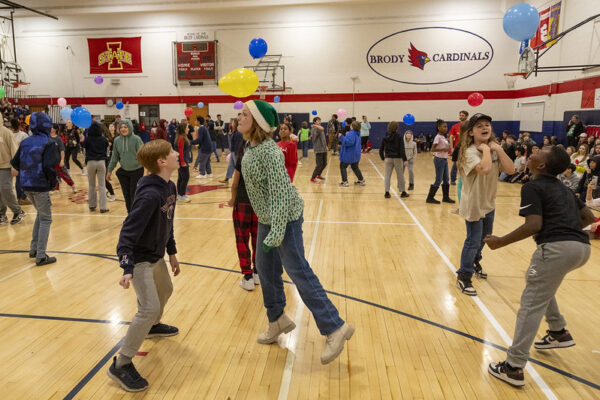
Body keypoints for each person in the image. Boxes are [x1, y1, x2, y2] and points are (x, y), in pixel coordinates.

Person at [239, 100, 353, 365]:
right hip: (269, 218)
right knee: (265, 271)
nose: (239, 117)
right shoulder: (251, 146)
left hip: (285, 219)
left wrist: (276, 231)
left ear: (257, 122)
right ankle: (277, 319)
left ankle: (334, 327)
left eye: (245, 114)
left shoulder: (269, 151)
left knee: (298, 271)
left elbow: (280, 193)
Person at [484, 146, 594, 387]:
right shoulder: (564, 190)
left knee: (530, 305)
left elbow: (534, 225)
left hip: (556, 249)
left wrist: (500, 242)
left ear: (541, 166)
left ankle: (513, 367)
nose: (532, 153)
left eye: (538, 153)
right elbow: (589, 218)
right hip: (581, 249)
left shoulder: (532, 186)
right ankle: (557, 331)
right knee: (539, 282)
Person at [108, 139, 181, 392]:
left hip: (156, 255)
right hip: (139, 259)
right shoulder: (150, 194)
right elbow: (126, 234)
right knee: (148, 307)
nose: (177, 153)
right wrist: (127, 268)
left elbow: (168, 223)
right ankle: (122, 363)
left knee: (166, 291)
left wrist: (171, 252)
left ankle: (151, 327)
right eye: (173, 152)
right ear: (162, 161)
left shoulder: (168, 186)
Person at [454, 113, 514, 296]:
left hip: (489, 202)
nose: (484, 127)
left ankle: (474, 261)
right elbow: (485, 169)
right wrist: (487, 151)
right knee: (473, 240)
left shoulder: (496, 149)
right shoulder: (469, 152)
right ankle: (464, 276)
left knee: (484, 238)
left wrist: (500, 150)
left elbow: (511, 170)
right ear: (471, 132)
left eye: (487, 124)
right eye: (479, 125)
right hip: (473, 203)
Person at [10, 112, 59, 266]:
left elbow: (15, 162)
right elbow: (49, 166)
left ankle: (34, 249)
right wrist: (52, 183)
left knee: (40, 214)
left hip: (25, 184)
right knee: (46, 218)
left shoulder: (26, 141)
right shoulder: (49, 142)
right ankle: (41, 255)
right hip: (40, 184)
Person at [227, 139, 260, 291]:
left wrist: (232, 200)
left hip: (243, 202)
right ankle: (258, 273)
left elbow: (235, 184)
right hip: (259, 204)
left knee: (242, 239)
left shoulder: (243, 158)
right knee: (258, 239)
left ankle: (247, 276)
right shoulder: (265, 156)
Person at [107, 119, 144, 213]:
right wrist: (109, 170)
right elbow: (114, 156)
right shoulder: (117, 140)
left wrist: (149, 168)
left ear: (130, 128)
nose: (123, 129)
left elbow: (143, 154)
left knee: (134, 194)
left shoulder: (136, 139)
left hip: (137, 170)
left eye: (125, 127)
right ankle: (130, 214)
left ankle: (136, 215)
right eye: (121, 127)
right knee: (126, 194)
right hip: (124, 171)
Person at [0, 115, 24, 225]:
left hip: (5, 165)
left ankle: (18, 211)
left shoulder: (6, 132)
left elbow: (14, 149)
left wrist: (15, 166)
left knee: (5, 189)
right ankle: (1, 214)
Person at [426, 119, 454, 204]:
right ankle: (430, 198)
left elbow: (448, 148)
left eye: (446, 126)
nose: (446, 128)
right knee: (439, 179)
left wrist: (449, 141)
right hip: (439, 160)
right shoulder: (437, 137)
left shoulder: (443, 137)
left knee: (446, 179)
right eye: (444, 126)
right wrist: (443, 149)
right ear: (439, 128)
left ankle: (445, 197)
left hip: (444, 160)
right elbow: (432, 149)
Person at [83, 121, 109, 212]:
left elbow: (84, 150)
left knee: (91, 185)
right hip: (101, 162)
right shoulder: (104, 139)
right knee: (102, 185)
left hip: (90, 162)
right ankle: (103, 207)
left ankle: (92, 205)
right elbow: (106, 151)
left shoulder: (87, 139)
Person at [379, 121, 408, 198]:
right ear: (397, 128)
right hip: (397, 158)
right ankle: (403, 192)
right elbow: (402, 149)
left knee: (387, 175)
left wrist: (382, 157)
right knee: (400, 175)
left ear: (389, 127)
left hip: (388, 158)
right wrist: (405, 159)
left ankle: (387, 192)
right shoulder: (399, 136)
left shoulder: (385, 137)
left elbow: (381, 149)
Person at [49, 124, 75, 194]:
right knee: (54, 175)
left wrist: (62, 160)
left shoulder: (58, 139)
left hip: (58, 160)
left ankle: (72, 185)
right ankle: (56, 189)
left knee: (64, 174)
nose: (50, 128)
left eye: (52, 127)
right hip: (50, 161)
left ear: (55, 129)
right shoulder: (47, 138)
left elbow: (62, 150)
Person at [339, 120, 365, 187]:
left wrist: (341, 137)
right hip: (355, 154)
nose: (350, 126)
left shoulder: (352, 133)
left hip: (349, 154)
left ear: (353, 126)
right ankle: (361, 180)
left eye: (351, 125)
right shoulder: (358, 133)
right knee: (355, 167)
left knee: (343, 166)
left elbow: (349, 143)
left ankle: (345, 181)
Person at [219, 119, 243, 184]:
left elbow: (238, 144)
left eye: (232, 122)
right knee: (230, 166)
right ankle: (227, 179)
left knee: (238, 167)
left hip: (236, 152)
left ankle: (242, 181)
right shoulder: (234, 132)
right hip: (233, 152)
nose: (231, 124)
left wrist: (236, 153)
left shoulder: (238, 133)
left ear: (235, 124)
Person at [448, 110, 468, 185]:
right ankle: (453, 180)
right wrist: (452, 148)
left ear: (466, 116)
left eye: (462, 115)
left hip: (467, 148)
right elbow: (451, 137)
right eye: (460, 115)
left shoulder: (470, 126)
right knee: (455, 164)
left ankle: (466, 179)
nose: (461, 117)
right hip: (458, 148)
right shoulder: (455, 126)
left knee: (467, 164)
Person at [175, 124, 191, 202]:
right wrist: (183, 162)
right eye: (187, 127)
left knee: (181, 178)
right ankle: (182, 195)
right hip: (182, 161)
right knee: (185, 177)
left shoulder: (182, 137)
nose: (188, 129)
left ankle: (179, 194)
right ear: (183, 129)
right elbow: (180, 152)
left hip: (183, 160)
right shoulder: (181, 138)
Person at [310, 117, 327, 183]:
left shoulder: (318, 128)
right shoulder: (314, 128)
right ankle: (312, 178)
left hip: (324, 149)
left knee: (324, 164)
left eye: (320, 120)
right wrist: (315, 125)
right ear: (314, 122)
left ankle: (318, 175)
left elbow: (322, 139)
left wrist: (325, 146)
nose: (320, 122)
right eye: (318, 121)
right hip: (319, 149)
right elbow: (322, 128)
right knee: (319, 164)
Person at [105, 124, 117, 201]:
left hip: (116, 153)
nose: (111, 127)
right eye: (110, 126)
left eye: (112, 126)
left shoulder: (118, 135)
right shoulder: (106, 135)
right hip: (108, 154)